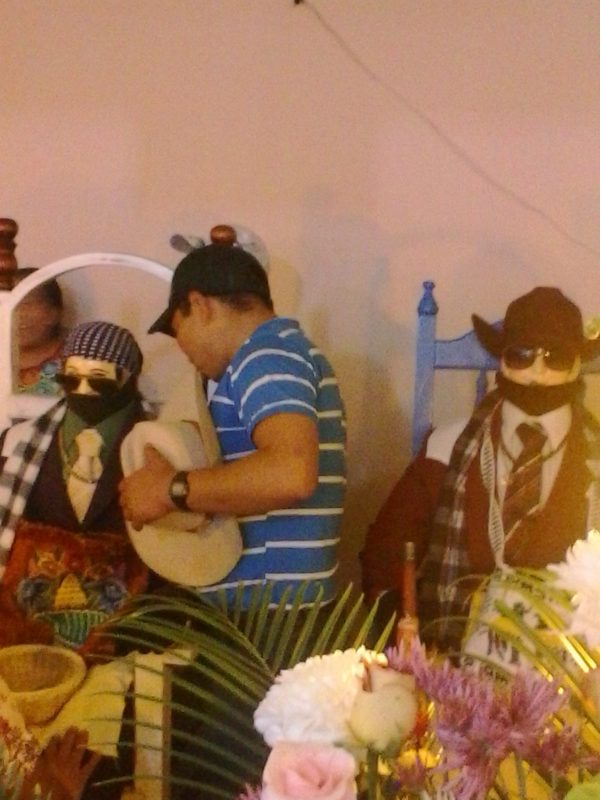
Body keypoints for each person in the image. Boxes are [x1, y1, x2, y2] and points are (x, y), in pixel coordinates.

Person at [360, 287, 600, 653]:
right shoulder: (445, 449)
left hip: (569, 664)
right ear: (501, 360)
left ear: (576, 364)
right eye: (521, 355)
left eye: (555, 356)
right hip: (455, 660)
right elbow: (386, 556)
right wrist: (412, 651)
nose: (537, 372)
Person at [119, 239, 347, 608]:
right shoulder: (278, 352)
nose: (182, 349)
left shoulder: (264, 356)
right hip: (271, 608)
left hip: (268, 613)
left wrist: (167, 490)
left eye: (178, 330)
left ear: (200, 306)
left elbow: (290, 472)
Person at [10, 267, 68, 395]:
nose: (15, 315)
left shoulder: (75, 362)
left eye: (25, 305)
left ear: (54, 313)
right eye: (7, 305)